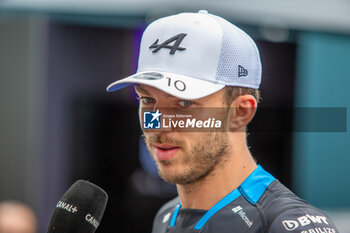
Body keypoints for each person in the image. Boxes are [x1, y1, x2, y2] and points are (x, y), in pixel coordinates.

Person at [106, 10, 339, 233]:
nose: (158, 124)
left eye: (184, 103)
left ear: (240, 112)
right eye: (147, 99)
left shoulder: (287, 223)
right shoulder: (167, 215)